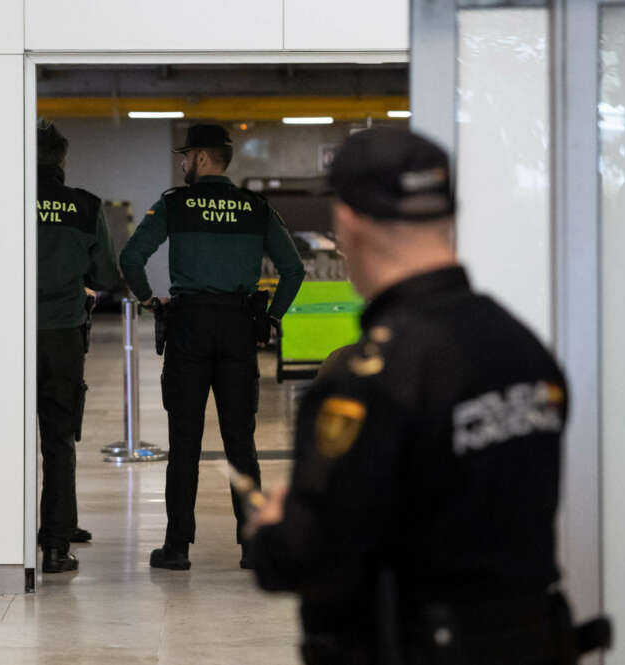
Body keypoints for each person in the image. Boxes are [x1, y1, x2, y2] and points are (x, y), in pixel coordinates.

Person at [247, 128, 578, 664]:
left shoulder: (368, 378)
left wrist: (274, 528)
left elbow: (309, 560)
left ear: (348, 222)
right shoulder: (522, 348)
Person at [119, 123, 305, 571]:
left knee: (184, 442)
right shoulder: (255, 207)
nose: (182, 164)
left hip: (189, 327)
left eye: (186, 157)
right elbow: (293, 269)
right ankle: (253, 543)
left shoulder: (174, 204)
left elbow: (130, 258)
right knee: (241, 441)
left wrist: (149, 302)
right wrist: (271, 317)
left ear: (202, 158)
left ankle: (177, 547)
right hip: (240, 328)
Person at [35, 121, 119, 573]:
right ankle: (55, 543)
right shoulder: (85, 206)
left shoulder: (5, 197)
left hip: (10, 337)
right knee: (59, 440)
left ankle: (1, 533)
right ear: (63, 160)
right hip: (64, 334)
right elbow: (105, 274)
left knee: (3, 437)